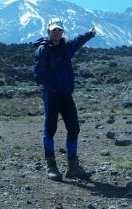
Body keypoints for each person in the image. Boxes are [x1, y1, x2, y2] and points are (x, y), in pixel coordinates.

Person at [32, 18, 96, 181]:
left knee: (74, 128)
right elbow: (38, 74)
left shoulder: (66, 48)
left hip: (66, 95)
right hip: (51, 95)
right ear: (48, 31)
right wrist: (53, 86)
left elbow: (77, 41)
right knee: (50, 130)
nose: (57, 32)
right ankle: (51, 166)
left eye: (59, 30)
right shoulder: (43, 49)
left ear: (62, 32)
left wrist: (90, 34)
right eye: (54, 30)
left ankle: (73, 167)